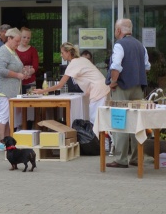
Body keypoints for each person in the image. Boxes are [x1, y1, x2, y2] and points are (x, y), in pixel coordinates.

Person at [105, 18, 150, 168]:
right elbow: (146, 67)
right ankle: (137, 157)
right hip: (138, 88)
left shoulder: (120, 45)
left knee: (120, 121)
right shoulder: (140, 45)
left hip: (122, 87)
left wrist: (112, 82)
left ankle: (121, 159)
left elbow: (116, 66)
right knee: (137, 122)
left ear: (118, 30)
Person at [34, 42, 109, 125]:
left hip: (98, 90)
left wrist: (42, 91)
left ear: (68, 52)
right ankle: (102, 137)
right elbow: (92, 76)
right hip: (103, 88)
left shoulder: (73, 64)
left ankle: (99, 138)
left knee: (95, 120)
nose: (61, 55)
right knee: (102, 118)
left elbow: (60, 85)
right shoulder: (81, 59)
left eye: (62, 53)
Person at [0, 28, 26, 151]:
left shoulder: (12, 51)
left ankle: (7, 140)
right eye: (17, 41)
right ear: (9, 39)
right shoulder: (4, 51)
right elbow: (1, 70)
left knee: (9, 116)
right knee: (3, 116)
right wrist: (18, 75)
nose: (18, 44)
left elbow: (15, 67)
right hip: (4, 89)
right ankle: (2, 142)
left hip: (12, 89)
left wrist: (22, 72)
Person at [16, 27, 39, 94]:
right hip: (16, 82)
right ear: (19, 36)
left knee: (30, 103)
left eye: (28, 38)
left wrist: (26, 72)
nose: (26, 39)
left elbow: (35, 66)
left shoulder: (33, 50)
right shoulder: (14, 49)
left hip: (30, 82)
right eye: (24, 37)